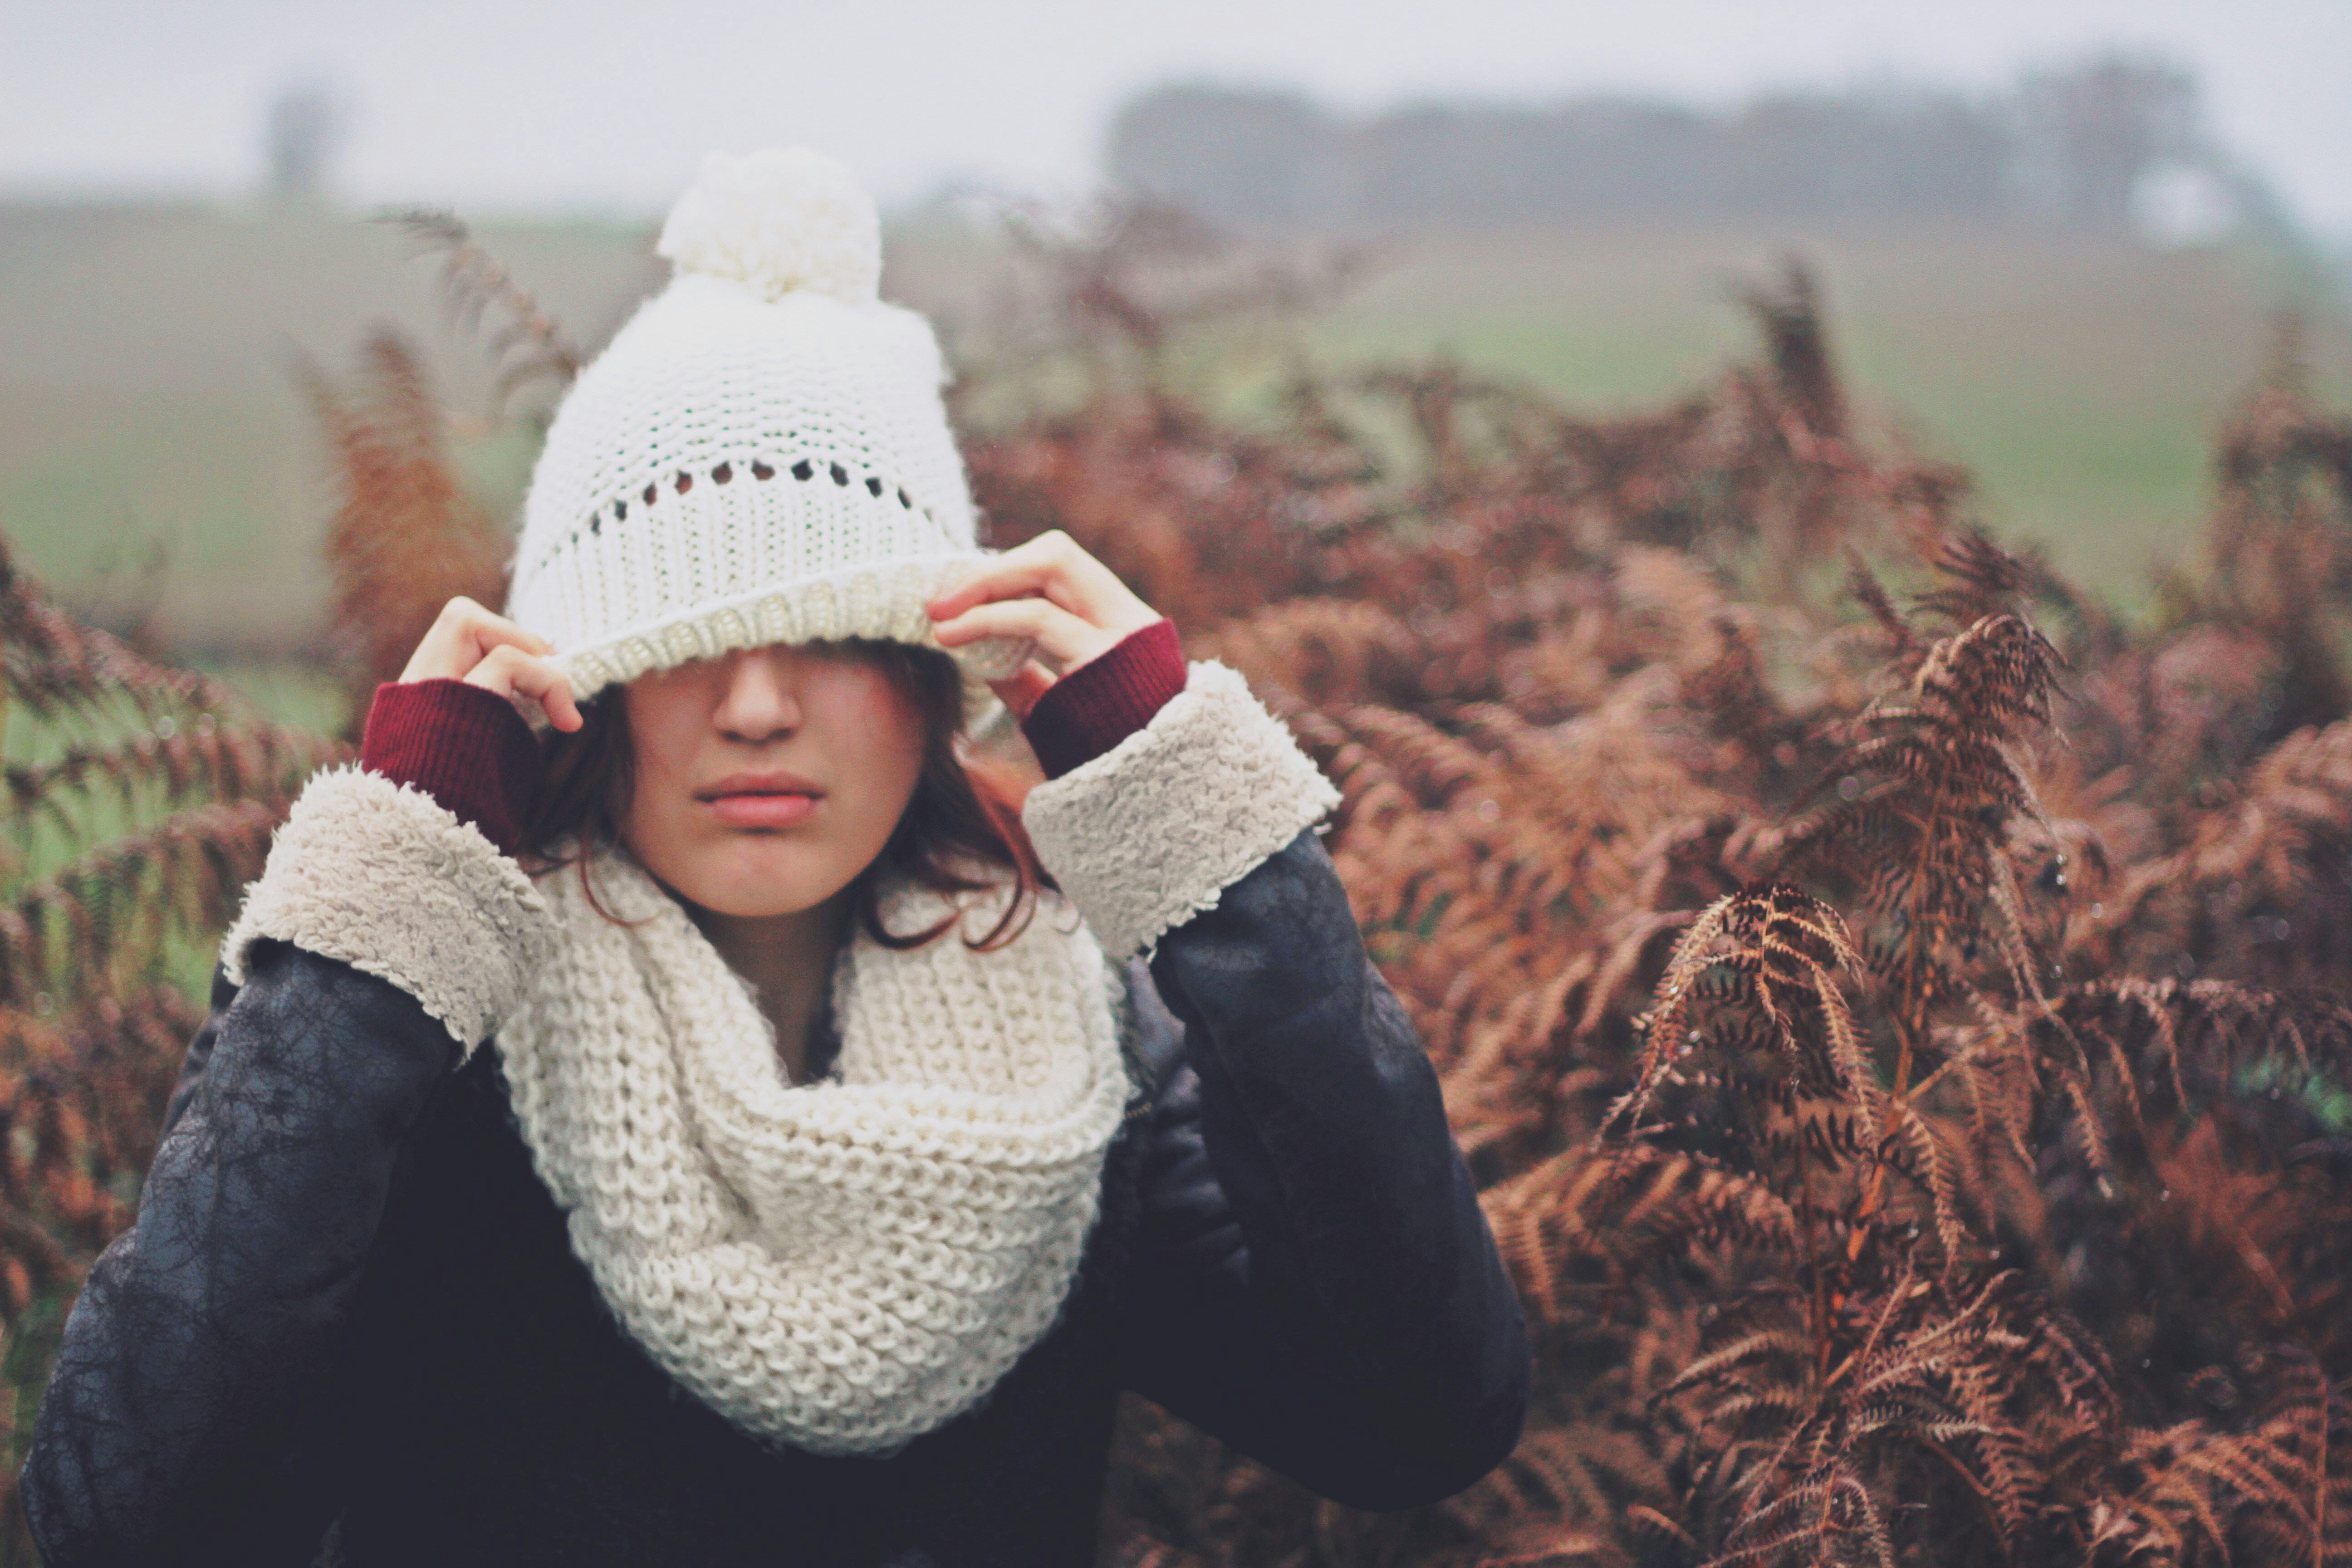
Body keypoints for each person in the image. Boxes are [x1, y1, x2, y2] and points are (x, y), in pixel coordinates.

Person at [20, 148, 1529, 1568]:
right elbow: (126, 1521)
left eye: (833, 633)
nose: (754, 707)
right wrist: (378, 908)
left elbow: (1415, 1416)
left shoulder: (1085, 1052)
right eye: (683, 649)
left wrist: (1211, 844)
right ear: (581, 684)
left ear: (939, 677)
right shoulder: (421, 1047)